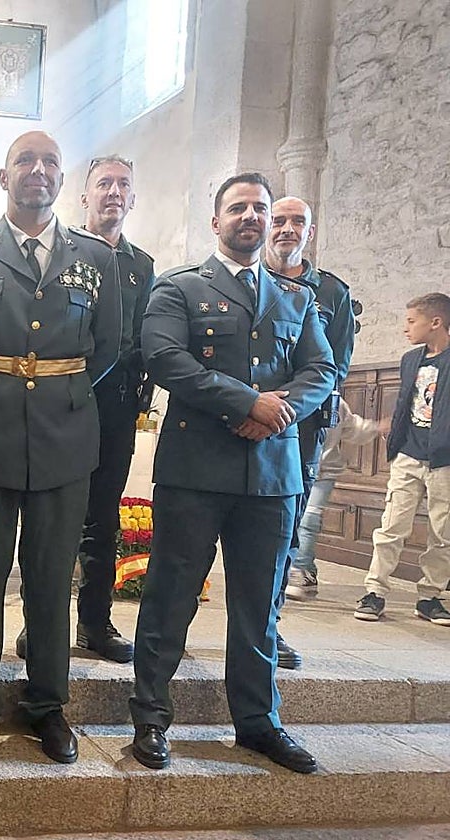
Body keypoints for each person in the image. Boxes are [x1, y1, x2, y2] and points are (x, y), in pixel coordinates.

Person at [0, 131, 121, 764]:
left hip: (64, 437)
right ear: (3, 178)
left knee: (49, 576)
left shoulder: (96, 258)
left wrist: (55, 395)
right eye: (25, 162)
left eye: (50, 163)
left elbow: (108, 347)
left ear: (62, 180)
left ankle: (46, 704)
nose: (38, 171)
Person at [129, 172, 335, 774]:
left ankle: (258, 723)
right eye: (238, 207)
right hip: (196, 469)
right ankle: (150, 717)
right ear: (216, 221)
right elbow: (165, 357)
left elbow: (321, 367)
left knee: (259, 605)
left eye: (260, 209)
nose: (251, 216)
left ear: (271, 223)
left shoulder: (296, 298)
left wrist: (280, 410)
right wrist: (247, 402)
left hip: (272, 475)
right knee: (170, 597)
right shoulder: (180, 289)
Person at [13, 154, 153, 665]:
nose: (113, 192)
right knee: (48, 520)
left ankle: (95, 621)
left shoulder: (142, 267)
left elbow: (142, 339)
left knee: (103, 518)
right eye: (104, 184)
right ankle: (39, 625)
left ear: (133, 198)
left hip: (114, 410)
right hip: (61, 404)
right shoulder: (63, 251)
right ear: (84, 195)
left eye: (123, 184)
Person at [264, 196, 354, 669]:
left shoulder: (333, 294)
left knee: (285, 533)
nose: (286, 229)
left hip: (298, 432)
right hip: (238, 421)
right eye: (278, 220)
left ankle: (268, 626)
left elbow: (333, 368)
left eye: (298, 221)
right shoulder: (246, 282)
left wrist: (282, 406)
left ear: (310, 232)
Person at [353, 292, 450, 625]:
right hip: (408, 455)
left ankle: (430, 597)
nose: (405, 328)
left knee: (443, 532)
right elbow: (405, 405)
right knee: (391, 526)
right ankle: (375, 592)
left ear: (435, 322)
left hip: (444, 460)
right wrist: (395, 438)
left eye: (411, 321)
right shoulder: (411, 360)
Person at [292, 399, 388, 591]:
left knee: (309, 519)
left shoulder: (336, 401)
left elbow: (353, 427)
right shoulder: (295, 394)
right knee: (293, 519)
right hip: (293, 469)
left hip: (323, 472)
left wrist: (377, 427)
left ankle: (299, 569)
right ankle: (308, 570)